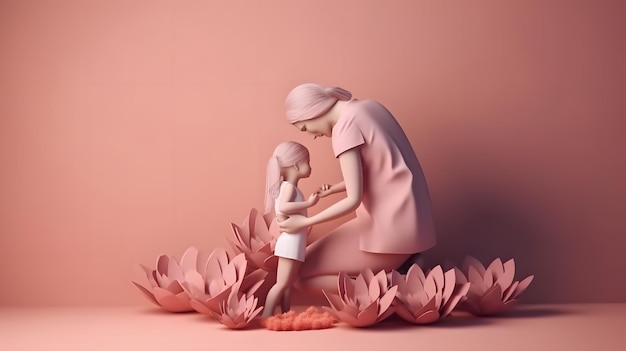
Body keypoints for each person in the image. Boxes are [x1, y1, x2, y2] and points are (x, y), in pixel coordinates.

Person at [277, 83, 436, 295]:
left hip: (389, 232)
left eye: (305, 128)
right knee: (302, 271)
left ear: (311, 112)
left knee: (297, 277)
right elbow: (384, 169)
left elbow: (353, 199)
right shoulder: (370, 107)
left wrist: (305, 222)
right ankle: (403, 271)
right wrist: (336, 188)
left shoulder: (344, 128)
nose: (313, 135)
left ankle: (398, 288)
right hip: (413, 224)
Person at [261, 141, 319, 317]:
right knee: (282, 283)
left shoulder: (288, 188)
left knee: (287, 284)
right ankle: (267, 315)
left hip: (294, 242)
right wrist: (309, 203)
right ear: (296, 165)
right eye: (307, 162)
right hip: (290, 243)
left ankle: (286, 313)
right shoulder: (289, 188)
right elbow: (284, 208)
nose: (310, 167)